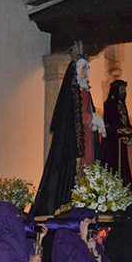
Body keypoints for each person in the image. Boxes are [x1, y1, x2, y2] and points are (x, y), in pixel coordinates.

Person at [30, 56, 105, 216]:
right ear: (76, 71)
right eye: (83, 68)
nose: (86, 72)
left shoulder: (84, 90)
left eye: (87, 68)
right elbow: (75, 115)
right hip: (74, 142)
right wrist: (93, 118)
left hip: (86, 137)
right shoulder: (73, 92)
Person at [97, 79, 132, 190]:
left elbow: (126, 122)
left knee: (123, 166)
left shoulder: (122, 105)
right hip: (112, 143)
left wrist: (130, 131)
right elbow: (112, 122)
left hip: (120, 142)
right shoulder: (110, 104)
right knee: (113, 166)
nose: (124, 92)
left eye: (124, 90)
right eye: (121, 89)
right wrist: (122, 129)